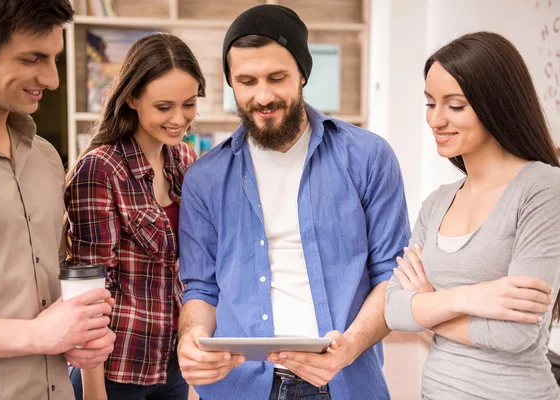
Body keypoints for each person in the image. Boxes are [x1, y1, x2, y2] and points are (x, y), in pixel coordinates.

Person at [176, 5, 410, 400]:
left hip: (344, 383)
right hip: (239, 388)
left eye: (277, 78)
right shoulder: (205, 178)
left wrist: (348, 346)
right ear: (231, 83)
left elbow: (393, 276)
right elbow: (201, 288)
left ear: (303, 73)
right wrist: (193, 338)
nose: (262, 96)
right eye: (247, 81)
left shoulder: (369, 158)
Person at [384, 31, 560, 400]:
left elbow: (516, 335)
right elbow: (395, 310)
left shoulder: (542, 188)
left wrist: (428, 304)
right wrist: (472, 297)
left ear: (496, 104)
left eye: (456, 105)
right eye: (430, 103)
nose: (436, 119)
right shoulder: (437, 202)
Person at [0, 0, 116, 399]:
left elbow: (43, 290)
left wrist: (80, 335)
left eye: (55, 59)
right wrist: (37, 335)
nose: (52, 78)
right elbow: (41, 330)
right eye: (33, 59)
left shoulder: (47, 159)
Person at [64, 32, 205, 400]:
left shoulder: (186, 161)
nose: (179, 119)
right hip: (115, 369)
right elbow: (88, 293)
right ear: (131, 98)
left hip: (170, 363)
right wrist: (94, 392)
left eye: (189, 104)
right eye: (164, 107)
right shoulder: (100, 169)